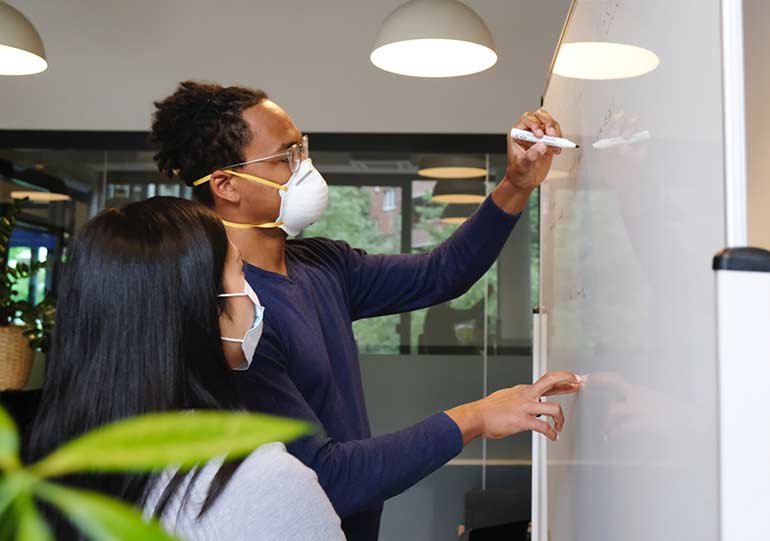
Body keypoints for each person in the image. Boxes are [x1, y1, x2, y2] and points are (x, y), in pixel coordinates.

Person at [150, 81, 581, 541]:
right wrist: (475, 416)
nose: (304, 170)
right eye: (283, 159)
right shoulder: (235, 319)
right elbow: (325, 479)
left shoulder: (320, 263)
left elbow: (441, 274)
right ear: (226, 185)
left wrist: (516, 184)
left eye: (302, 150)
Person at [25, 197, 344, 541]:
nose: (253, 296)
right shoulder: (260, 481)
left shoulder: (38, 469)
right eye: (240, 271)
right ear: (201, 304)